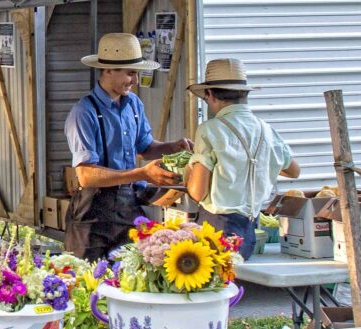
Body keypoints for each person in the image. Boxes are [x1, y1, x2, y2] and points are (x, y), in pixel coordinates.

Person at [64, 33, 193, 261]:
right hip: (92, 212)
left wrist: (174, 147)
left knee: (129, 275)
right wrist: (142, 173)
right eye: (130, 73)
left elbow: (145, 148)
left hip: (128, 204)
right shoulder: (83, 112)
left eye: (136, 72)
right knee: (86, 280)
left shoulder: (133, 104)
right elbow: (85, 176)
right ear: (107, 70)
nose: (134, 80)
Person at [185, 58, 299, 260]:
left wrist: (189, 169)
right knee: (237, 283)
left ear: (210, 95)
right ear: (245, 95)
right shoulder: (266, 130)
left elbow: (197, 191)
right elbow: (293, 171)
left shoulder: (210, 130)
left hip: (217, 226)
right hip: (250, 227)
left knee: (218, 288)